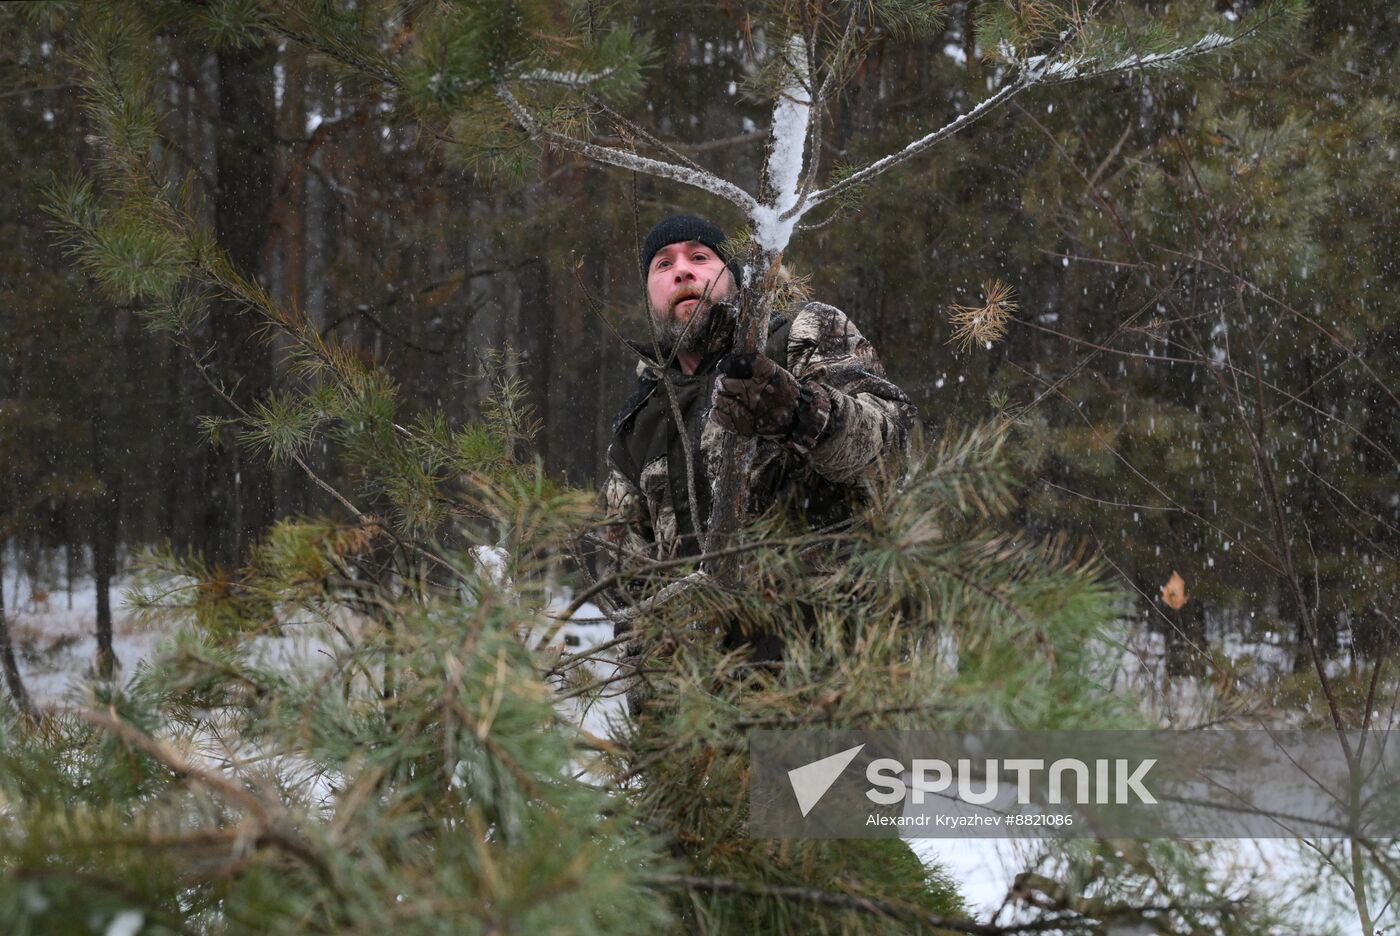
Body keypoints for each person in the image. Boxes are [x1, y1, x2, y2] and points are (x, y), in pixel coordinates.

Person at [595, 214, 916, 698]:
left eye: (700, 257)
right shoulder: (639, 423)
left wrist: (799, 413)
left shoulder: (799, 338)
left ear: (734, 277)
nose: (682, 271)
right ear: (649, 296)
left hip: (833, 686)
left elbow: (891, 452)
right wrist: (653, 701)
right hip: (707, 716)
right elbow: (630, 589)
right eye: (663, 264)